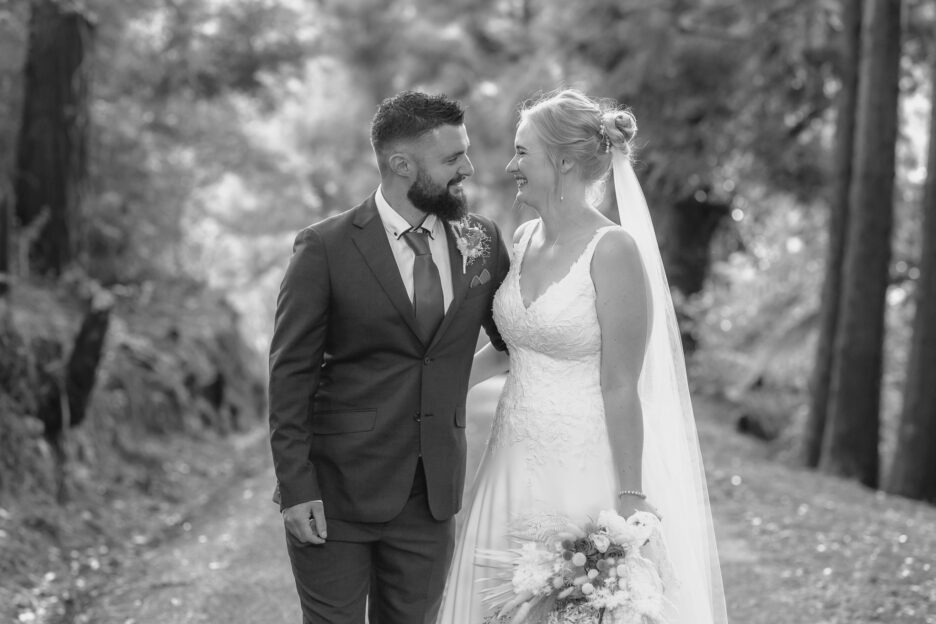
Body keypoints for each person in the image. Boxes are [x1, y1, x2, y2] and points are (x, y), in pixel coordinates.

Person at [437, 89, 727, 623]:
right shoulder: (522, 239)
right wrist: (432, 390)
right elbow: (508, 351)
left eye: (523, 152)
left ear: (564, 160)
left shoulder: (613, 250)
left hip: (581, 471)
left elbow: (622, 384)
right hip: (509, 460)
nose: (510, 165)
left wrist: (631, 494)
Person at [268, 91, 511, 624]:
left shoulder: (483, 241)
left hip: (432, 496)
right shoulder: (324, 246)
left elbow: (516, 336)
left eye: (465, 153)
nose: (467, 168)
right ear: (402, 164)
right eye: (452, 158)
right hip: (336, 492)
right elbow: (290, 375)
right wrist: (295, 488)